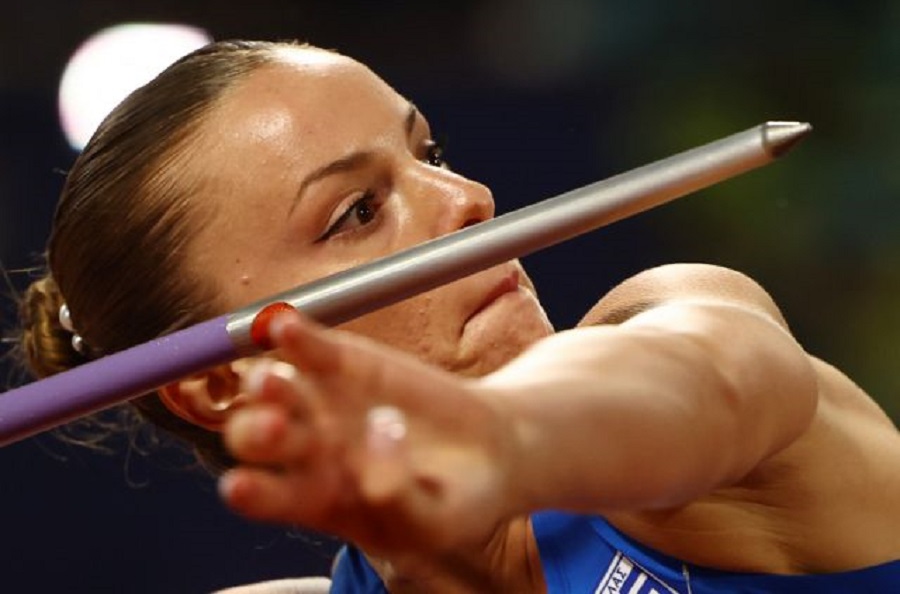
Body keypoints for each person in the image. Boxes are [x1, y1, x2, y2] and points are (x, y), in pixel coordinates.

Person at [14, 39, 900, 593]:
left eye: (428, 153)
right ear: (218, 380)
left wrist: (502, 437)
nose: (471, 199)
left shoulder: (671, 326)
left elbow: (704, 381)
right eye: (357, 212)